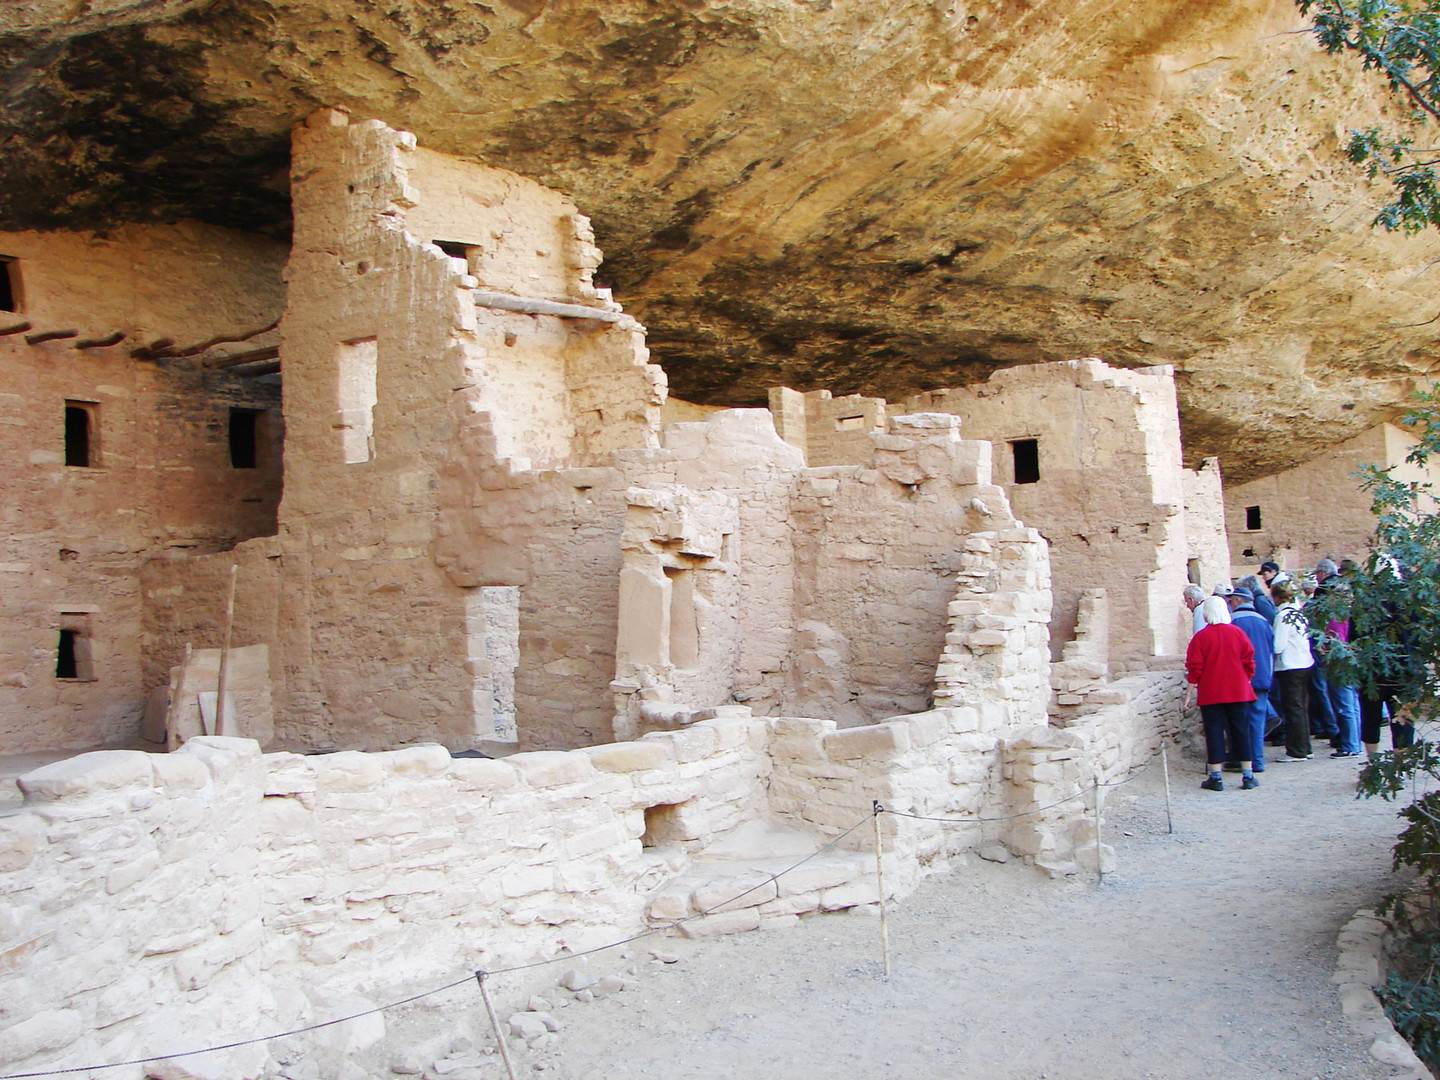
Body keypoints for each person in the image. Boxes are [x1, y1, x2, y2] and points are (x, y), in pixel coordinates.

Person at [1185, 595, 1259, 791]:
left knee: (1214, 732)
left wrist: (1189, 693)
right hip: (1238, 690)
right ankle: (1248, 774)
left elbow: (1195, 668)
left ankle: (1216, 776)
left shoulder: (1201, 638)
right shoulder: (1238, 633)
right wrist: (1246, 679)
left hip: (1212, 691)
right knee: (1241, 731)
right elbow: (1249, 660)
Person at [1222, 584, 1274, 773]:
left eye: (1231, 600)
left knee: (1239, 720)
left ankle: (1243, 759)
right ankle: (1257, 760)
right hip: (1262, 675)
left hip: (1241, 677)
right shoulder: (1264, 621)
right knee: (1258, 720)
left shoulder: (1233, 622)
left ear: (1238, 601)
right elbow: (1271, 649)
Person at [1315, 559, 1362, 757]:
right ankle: (1354, 741)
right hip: (1349, 658)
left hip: (1338, 661)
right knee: (1352, 702)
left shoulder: (1335, 617)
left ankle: (1350, 745)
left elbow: (1332, 640)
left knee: (1343, 704)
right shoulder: (1348, 614)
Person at [1270, 579, 1314, 761]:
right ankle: (1305, 747)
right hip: (1304, 662)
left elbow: (1278, 645)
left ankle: (1297, 750)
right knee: (1301, 708)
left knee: (1292, 708)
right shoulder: (1298, 612)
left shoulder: (1282, 616)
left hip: (1290, 665)